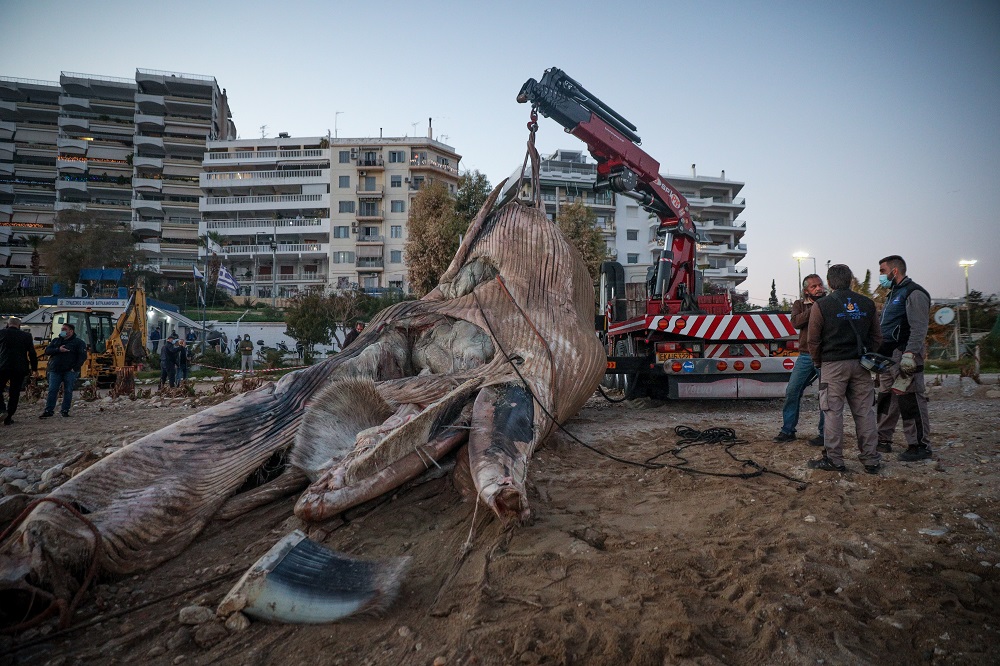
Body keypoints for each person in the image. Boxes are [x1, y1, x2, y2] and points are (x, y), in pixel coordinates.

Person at [806, 264, 882, 474]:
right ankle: (871, 459)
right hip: (861, 365)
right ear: (851, 280)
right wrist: (867, 355)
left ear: (829, 283)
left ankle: (835, 460)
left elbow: (813, 340)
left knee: (832, 413)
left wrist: (818, 362)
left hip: (832, 365)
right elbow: (877, 337)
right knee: (865, 412)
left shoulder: (821, 306)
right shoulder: (867, 304)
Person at [875, 255, 933, 461]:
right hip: (888, 357)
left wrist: (910, 355)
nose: (880, 276)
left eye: (882, 271)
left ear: (895, 271)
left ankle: (919, 445)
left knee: (910, 399)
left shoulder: (913, 293)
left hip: (904, 355)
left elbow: (919, 327)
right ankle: (883, 439)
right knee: (886, 399)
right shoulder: (893, 294)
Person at [773, 274, 827, 446]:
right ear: (806, 291)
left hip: (826, 355)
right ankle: (788, 430)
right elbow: (796, 322)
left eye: (820, 285)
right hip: (805, 355)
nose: (819, 288)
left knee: (825, 395)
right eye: (814, 287)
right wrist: (816, 308)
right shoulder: (799, 304)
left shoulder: (830, 303)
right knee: (792, 391)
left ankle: (825, 434)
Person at [41, 322, 88, 418]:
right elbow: (47, 351)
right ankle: (49, 410)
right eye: (62, 329)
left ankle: (65, 410)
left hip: (69, 371)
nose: (62, 331)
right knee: (52, 390)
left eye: (64, 329)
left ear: (71, 331)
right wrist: (58, 350)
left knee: (68, 390)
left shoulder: (78, 343)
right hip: (55, 370)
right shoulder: (56, 341)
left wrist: (74, 368)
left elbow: (82, 357)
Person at [0, 317, 38, 425]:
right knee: (15, 392)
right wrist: (34, 369)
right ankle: (9, 417)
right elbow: (32, 354)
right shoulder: (26, 336)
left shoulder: (1, 333)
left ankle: (2, 410)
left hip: (3, 366)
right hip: (20, 368)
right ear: (19, 325)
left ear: (8, 324)